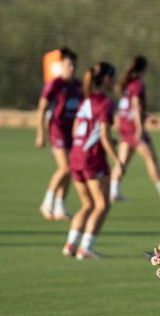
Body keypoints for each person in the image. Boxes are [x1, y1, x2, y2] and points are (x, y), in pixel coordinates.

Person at [62, 62, 123, 260]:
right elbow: (104, 136)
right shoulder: (105, 103)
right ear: (106, 79)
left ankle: (70, 244)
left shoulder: (86, 101)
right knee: (101, 205)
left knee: (87, 205)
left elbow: (77, 130)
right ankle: (86, 247)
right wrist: (117, 160)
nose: (114, 81)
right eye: (113, 77)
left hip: (76, 156)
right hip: (92, 159)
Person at [109, 56, 160, 203]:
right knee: (150, 158)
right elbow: (136, 105)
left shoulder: (127, 83)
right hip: (133, 128)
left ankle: (113, 191)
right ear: (143, 68)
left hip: (125, 126)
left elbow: (131, 108)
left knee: (122, 161)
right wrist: (140, 127)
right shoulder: (137, 84)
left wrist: (146, 117)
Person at [35, 47, 82, 221]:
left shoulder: (78, 86)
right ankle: (47, 202)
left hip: (73, 133)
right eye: (68, 64)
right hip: (57, 130)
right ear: (61, 65)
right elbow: (42, 109)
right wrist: (40, 133)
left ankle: (60, 206)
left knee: (70, 170)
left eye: (74, 65)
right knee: (65, 168)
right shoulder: (54, 85)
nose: (72, 68)